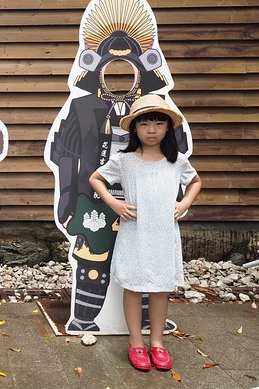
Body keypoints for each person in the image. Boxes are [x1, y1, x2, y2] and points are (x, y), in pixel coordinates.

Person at [89, 94, 202, 372]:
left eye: (158, 123)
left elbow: (196, 181)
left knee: (160, 287)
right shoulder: (125, 160)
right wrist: (115, 203)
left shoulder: (176, 161)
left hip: (163, 233)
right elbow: (96, 178)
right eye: (145, 124)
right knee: (134, 285)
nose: (151, 130)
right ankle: (136, 341)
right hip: (134, 232)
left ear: (167, 128)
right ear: (134, 128)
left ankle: (157, 342)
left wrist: (184, 203)